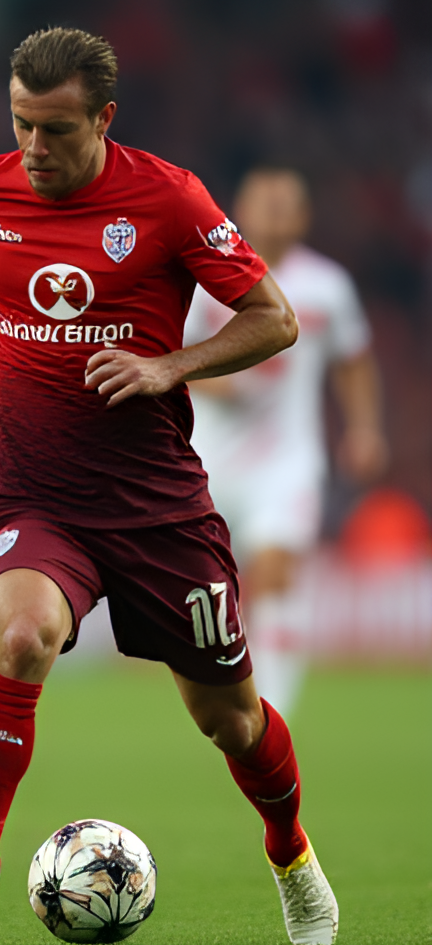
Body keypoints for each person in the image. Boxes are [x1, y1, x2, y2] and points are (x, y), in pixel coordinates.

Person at [0, 27, 338, 945]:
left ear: (105, 118)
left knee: (232, 719)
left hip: (158, 507)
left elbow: (274, 319)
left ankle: (290, 852)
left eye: (55, 131)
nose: (34, 150)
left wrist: (172, 367)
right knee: (21, 636)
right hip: (35, 495)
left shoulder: (168, 197)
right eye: (21, 126)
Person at [184, 168, 386, 715]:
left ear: (304, 216)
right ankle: (227, 694)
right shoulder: (206, 280)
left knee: (275, 571)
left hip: (288, 461)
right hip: (207, 460)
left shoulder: (327, 286)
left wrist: (364, 428)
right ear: (240, 210)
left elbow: (354, 360)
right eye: (264, 202)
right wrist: (211, 378)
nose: (275, 213)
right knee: (205, 590)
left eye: (286, 204)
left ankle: (272, 711)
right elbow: (165, 359)